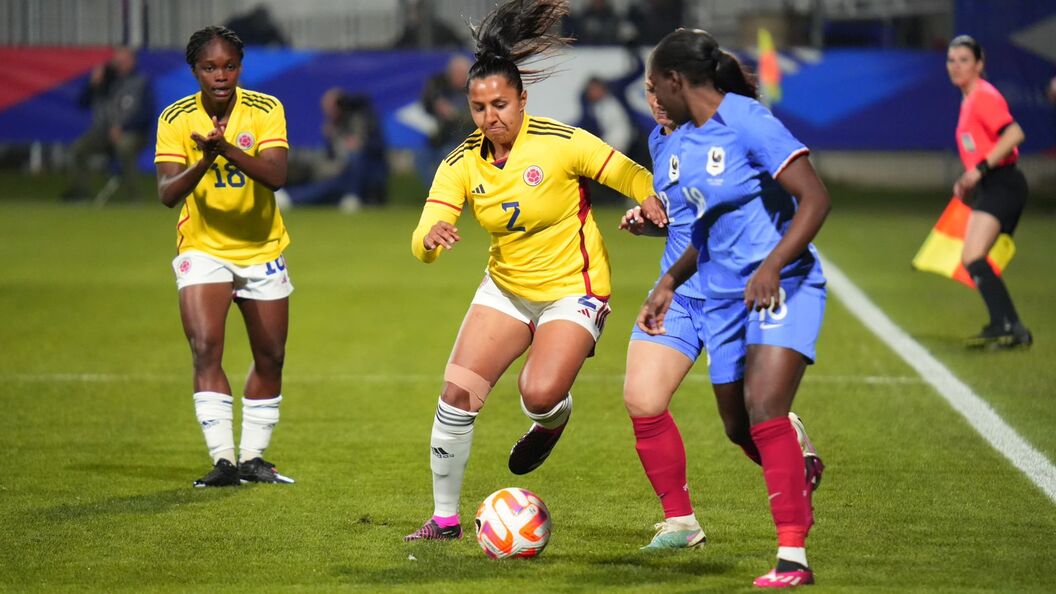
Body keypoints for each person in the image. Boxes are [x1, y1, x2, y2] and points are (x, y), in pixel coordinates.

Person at [404, 0, 667, 542]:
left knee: (538, 394)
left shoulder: (561, 143)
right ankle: (446, 519)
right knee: (456, 396)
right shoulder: (460, 164)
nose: (490, 117)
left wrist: (653, 201)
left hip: (575, 289)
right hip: (506, 290)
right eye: (479, 108)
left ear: (522, 99)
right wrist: (429, 239)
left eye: (500, 104)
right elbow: (424, 235)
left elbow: (632, 174)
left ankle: (553, 416)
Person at [639, 29, 829, 587]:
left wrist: (772, 265)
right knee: (737, 425)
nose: (651, 99)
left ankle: (792, 555)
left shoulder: (746, 120)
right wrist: (669, 281)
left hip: (782, 285)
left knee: (766, 406)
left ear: (676, 82)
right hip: (722, 298)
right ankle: (799, 473)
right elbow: (705, 226)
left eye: (655, 87)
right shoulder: (685, 143)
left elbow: (814, 198)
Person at [155, 26, 295, 488]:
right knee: (205, 347)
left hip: (261, 248)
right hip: (203, 246)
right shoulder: (175, 118)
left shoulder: (265, 109)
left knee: (271, 355)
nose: (221, 75)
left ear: (240, 67)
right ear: (194, 70)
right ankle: (224, 461)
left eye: (229, 66)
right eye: (210, 67)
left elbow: (275, 175)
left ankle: (254, 458)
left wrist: (226, 150)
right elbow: (167, 194)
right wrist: (203, 161)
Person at [946, 35, 1032, 349]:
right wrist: (969, 180)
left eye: (964, 60)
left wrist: (979, 170)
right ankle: (1008, 325)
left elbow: (1014, 133)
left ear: (979, 65)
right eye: (951, 60)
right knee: (973, 257)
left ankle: (1008, 325)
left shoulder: (982, 95)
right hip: (992, 183)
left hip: (1003, 183)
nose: (956, 66)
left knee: (972, 256)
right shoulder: (969, 99)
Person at [62, 47, 154, 202]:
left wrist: (123, 128)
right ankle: (81, 192)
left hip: (132, 134)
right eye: (117, 61)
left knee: (124, 147)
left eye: (123, 61)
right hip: (103, 133)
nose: (120, 65)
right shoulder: (105, 81)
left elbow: (146, 114)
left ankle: (133, 196)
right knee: (78, 149)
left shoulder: (141, 82)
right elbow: (82, 103)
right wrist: (92, 84)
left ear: (132, 61)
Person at [276, 88, 388, 211]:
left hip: (364, 173)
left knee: (341, 175)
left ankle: (291, 198)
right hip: (341, 171)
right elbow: (332, 155)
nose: (327, 112)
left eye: (328, 107)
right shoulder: (334, 125)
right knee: (328, 182)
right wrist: (331, 137)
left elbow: (377, 147)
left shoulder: (362, 118)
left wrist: (360, 144)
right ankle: (290, 197)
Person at [414, 54, 475, 187]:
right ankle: (437, 193)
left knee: (447, 155)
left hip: (464, 140)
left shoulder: (475, 92)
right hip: (440, 138)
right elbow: (426, 102)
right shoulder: (441, 88)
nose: (457, 76)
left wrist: (453, 113)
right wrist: (436, 103)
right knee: (421, 157)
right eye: (454, 73)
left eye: (461, 73)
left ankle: (454, 194)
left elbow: (474, 118)